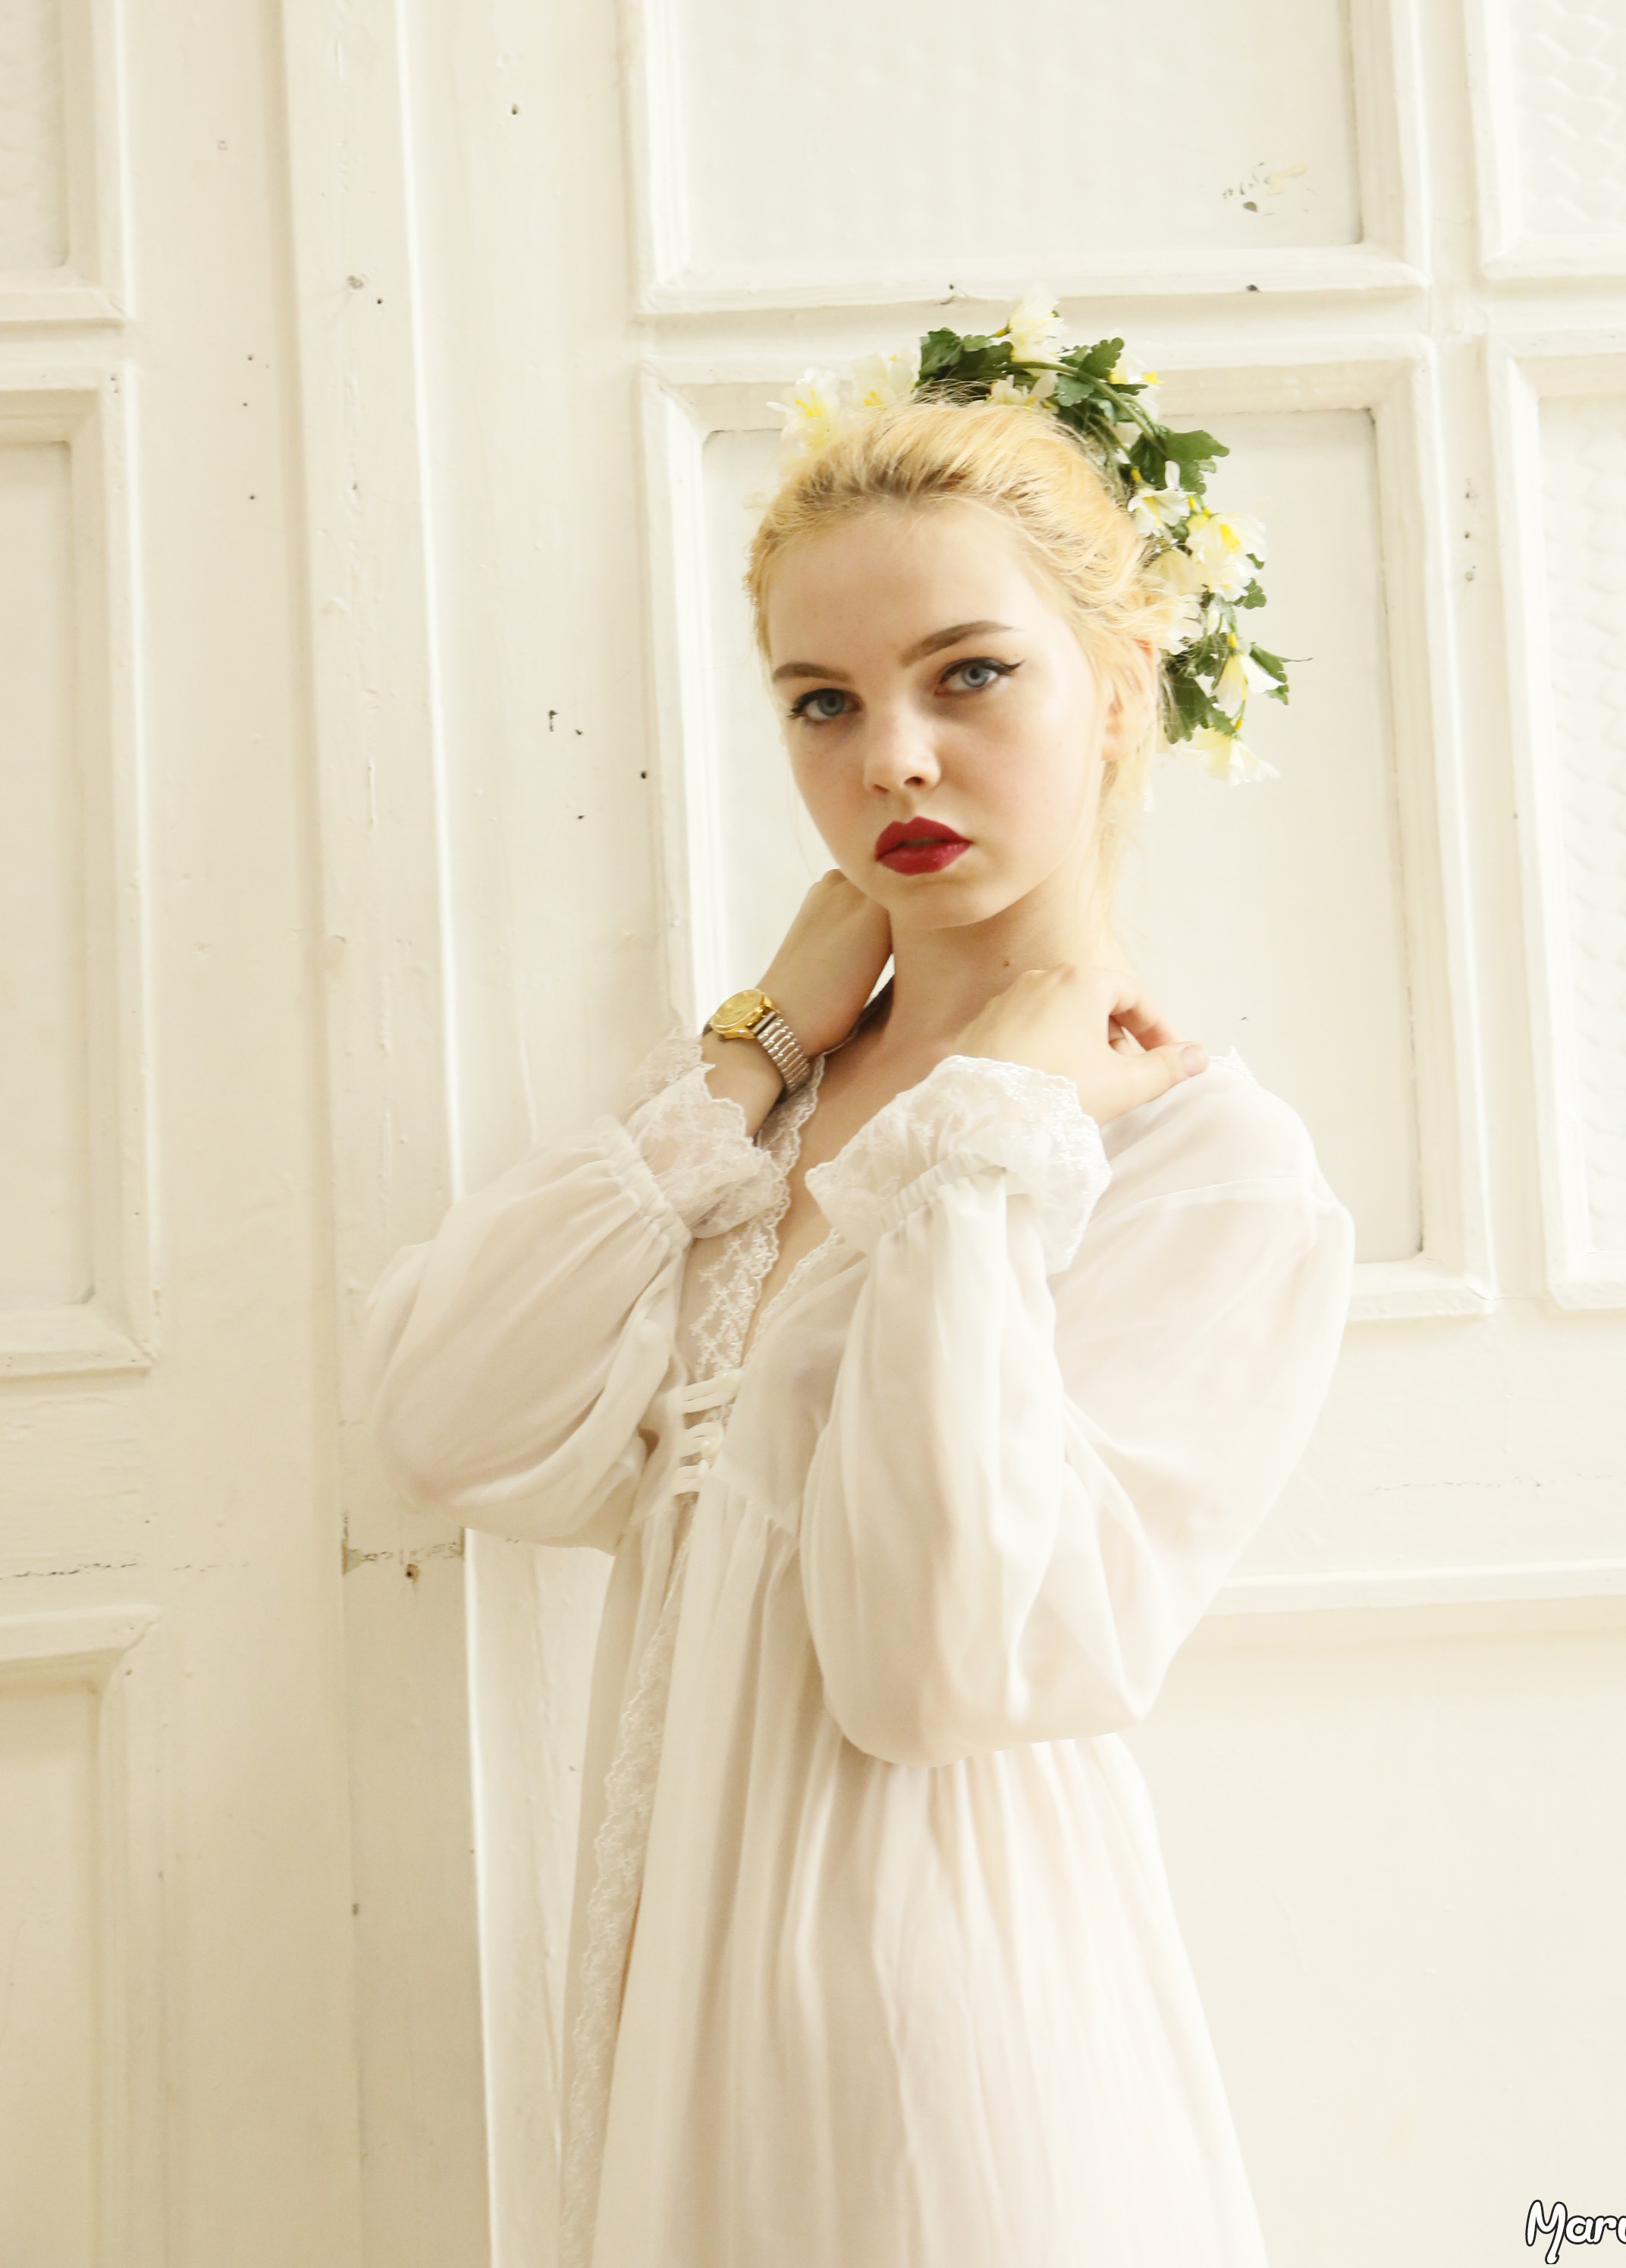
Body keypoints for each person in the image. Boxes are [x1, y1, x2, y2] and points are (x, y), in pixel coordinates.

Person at [363, 297, 1357, 2268]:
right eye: (820, 702)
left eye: (969, 675)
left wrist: (988, 1141)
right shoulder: (766, 1106)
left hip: (947, 2032)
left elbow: (936, 1665)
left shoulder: (1201, 1169)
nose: (891, 753)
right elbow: (445, 1420)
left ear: (1120, 687)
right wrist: (749, 1052)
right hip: (685, 2014)